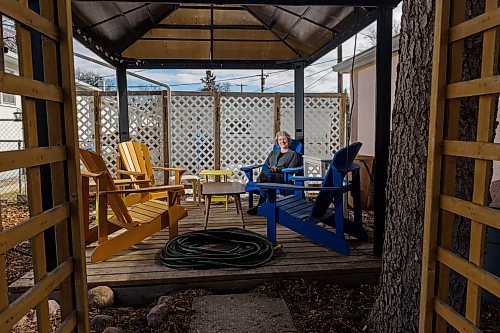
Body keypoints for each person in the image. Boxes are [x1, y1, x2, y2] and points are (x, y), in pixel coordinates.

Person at [247, 130, 302, 215]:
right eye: (280, 139)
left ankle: (261, 205)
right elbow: (265, 165)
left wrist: (277, 170)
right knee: (265, 176)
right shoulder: (273, 153)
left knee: (264, 177)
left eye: (284, 139)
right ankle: (264, 205)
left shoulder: (294, 154)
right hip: (268, 175)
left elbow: (291, 168)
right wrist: (269, 169)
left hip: (282, 177)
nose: (282, 141)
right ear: (277, 141)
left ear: (288, 140)